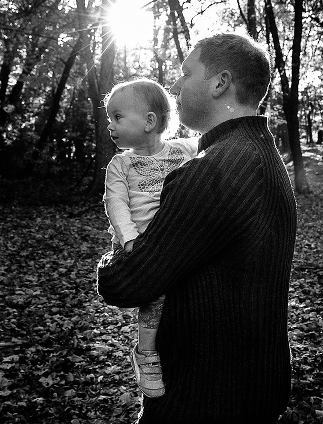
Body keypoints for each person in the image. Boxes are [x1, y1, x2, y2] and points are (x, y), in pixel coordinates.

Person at [97, 33, 297, 423]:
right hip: (258, 383)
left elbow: (126, 283)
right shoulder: (263, 154)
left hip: (204, 397)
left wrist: (113, 256)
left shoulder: (212, 172)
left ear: (220, 82)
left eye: (186, 73)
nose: (174, 86)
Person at [102, 78, 198, 398]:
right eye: (109, 118)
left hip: (174, 239)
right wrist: (129, 239)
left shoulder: (182, 149)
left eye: (117, 117)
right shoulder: (120, 164)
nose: (110, 125)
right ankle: (146, 354)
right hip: (140, 243)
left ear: (149, 121)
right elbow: (115, 203)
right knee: (154, 298)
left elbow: (212, 144)